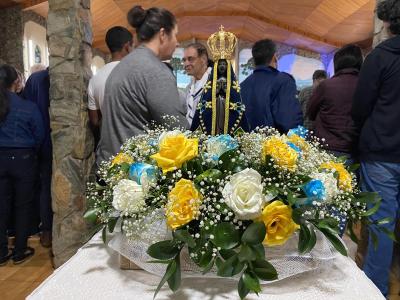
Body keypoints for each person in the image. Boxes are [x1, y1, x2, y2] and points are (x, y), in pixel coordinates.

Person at [96, 6, 188, 166]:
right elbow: (177, 129)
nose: (177, 42)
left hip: (111, 165)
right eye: (175, 35)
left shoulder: (122, 65)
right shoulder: (156, 71)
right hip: (134, 173)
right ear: (162, 35)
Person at [351, 0, 400, 296]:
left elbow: (360, 107)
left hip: (382, 151)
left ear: (385, 23)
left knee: (381, 223)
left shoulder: (380, 56)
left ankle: (374, 290)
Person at [0, 64, 44, 265]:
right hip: (23, 159)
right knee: (23, 205)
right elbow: (39, 135)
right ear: (16, 82)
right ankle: (19, 250)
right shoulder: (27, 106)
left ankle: (1, 252)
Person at [308, 45, 362, 162]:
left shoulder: (327, 85)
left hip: (325, 146)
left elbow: (310, 112)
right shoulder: (366, 86)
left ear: (337, 64)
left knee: (323, 180)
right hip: (353, 148)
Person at [190, 27, 248, 135]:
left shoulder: (231, 83)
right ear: (216, 67)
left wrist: (226, 90)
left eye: (224, 65)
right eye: (220, 65)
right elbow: (207, 98)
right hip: (215, 106)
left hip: (226, 107)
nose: (222, 67)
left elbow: (235, 99)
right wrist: (216, 90)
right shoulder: (211, 81)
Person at [240, 39, 303, 133]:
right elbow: (289, 123)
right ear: (274, 57)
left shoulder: (242, 86)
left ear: (254, 60)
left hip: (246, 144)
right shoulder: (283, 81)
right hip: (273, 145)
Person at [23, 68, 52, 247]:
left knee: (44, 186)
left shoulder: (34, 80)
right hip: (45, 142)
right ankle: (47, 228)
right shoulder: (36, 80)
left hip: (39, 142)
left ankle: (46, 230)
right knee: (45, 186)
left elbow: (27, 109)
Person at [88, 26, 133, 130]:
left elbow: (94, 121)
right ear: (127, 46)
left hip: (108, 140)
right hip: (135, 140)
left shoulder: (94, 79)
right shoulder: (136, 72)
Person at [182, 43, 212, 125]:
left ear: (203, 59)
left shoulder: (216, 83)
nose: (186, 64)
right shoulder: (189, 87)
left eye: (190, 59)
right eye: (184, 60)